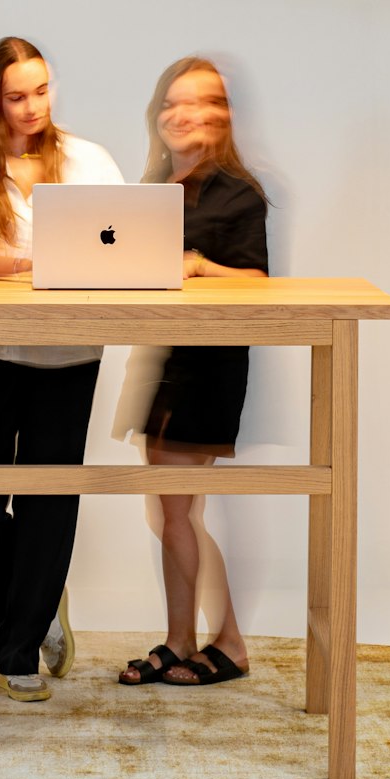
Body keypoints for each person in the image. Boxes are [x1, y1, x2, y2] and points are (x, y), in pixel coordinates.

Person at [0, 36, 123, 702]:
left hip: (69, 354)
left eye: (41, 90)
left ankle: (20, 651)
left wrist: (42, 259)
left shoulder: (89, 161)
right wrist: (35, 260)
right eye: (17, 96)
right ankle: (39, 604)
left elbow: (126, 240)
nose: (32, 106)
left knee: (49, 500)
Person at [116, 57, 269, 688]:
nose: (183, 114)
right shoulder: (157, 184)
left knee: (177, 511)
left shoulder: (238, 191)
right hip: (161, 358)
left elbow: (258, 280)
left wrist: (202, 265)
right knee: (169, 513)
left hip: (207, 365)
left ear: (223, 116)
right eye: (172, 102)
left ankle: (228, 642)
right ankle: (181, 639)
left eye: (202, 102)